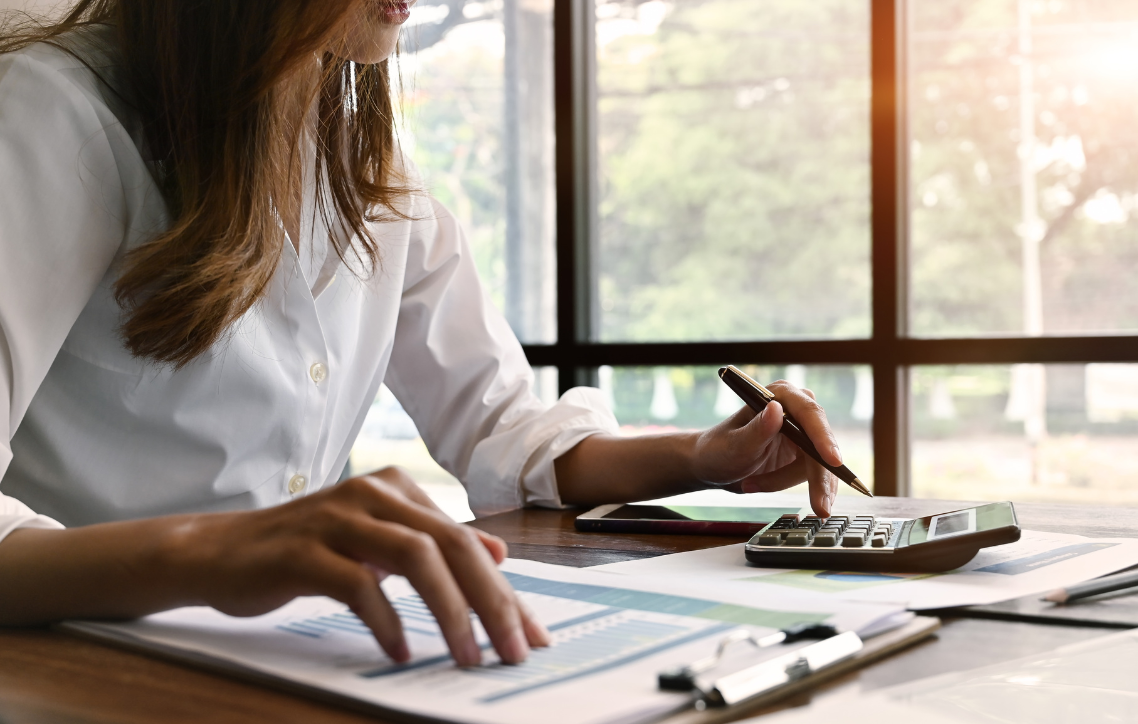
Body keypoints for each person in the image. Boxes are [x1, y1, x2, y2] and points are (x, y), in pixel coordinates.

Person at [0, 0, 846, 668]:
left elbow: (504, 429)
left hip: (293, 660)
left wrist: (701, 456)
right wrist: (215, 551)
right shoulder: (52, 116)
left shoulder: (362, 162)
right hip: (78, 671)